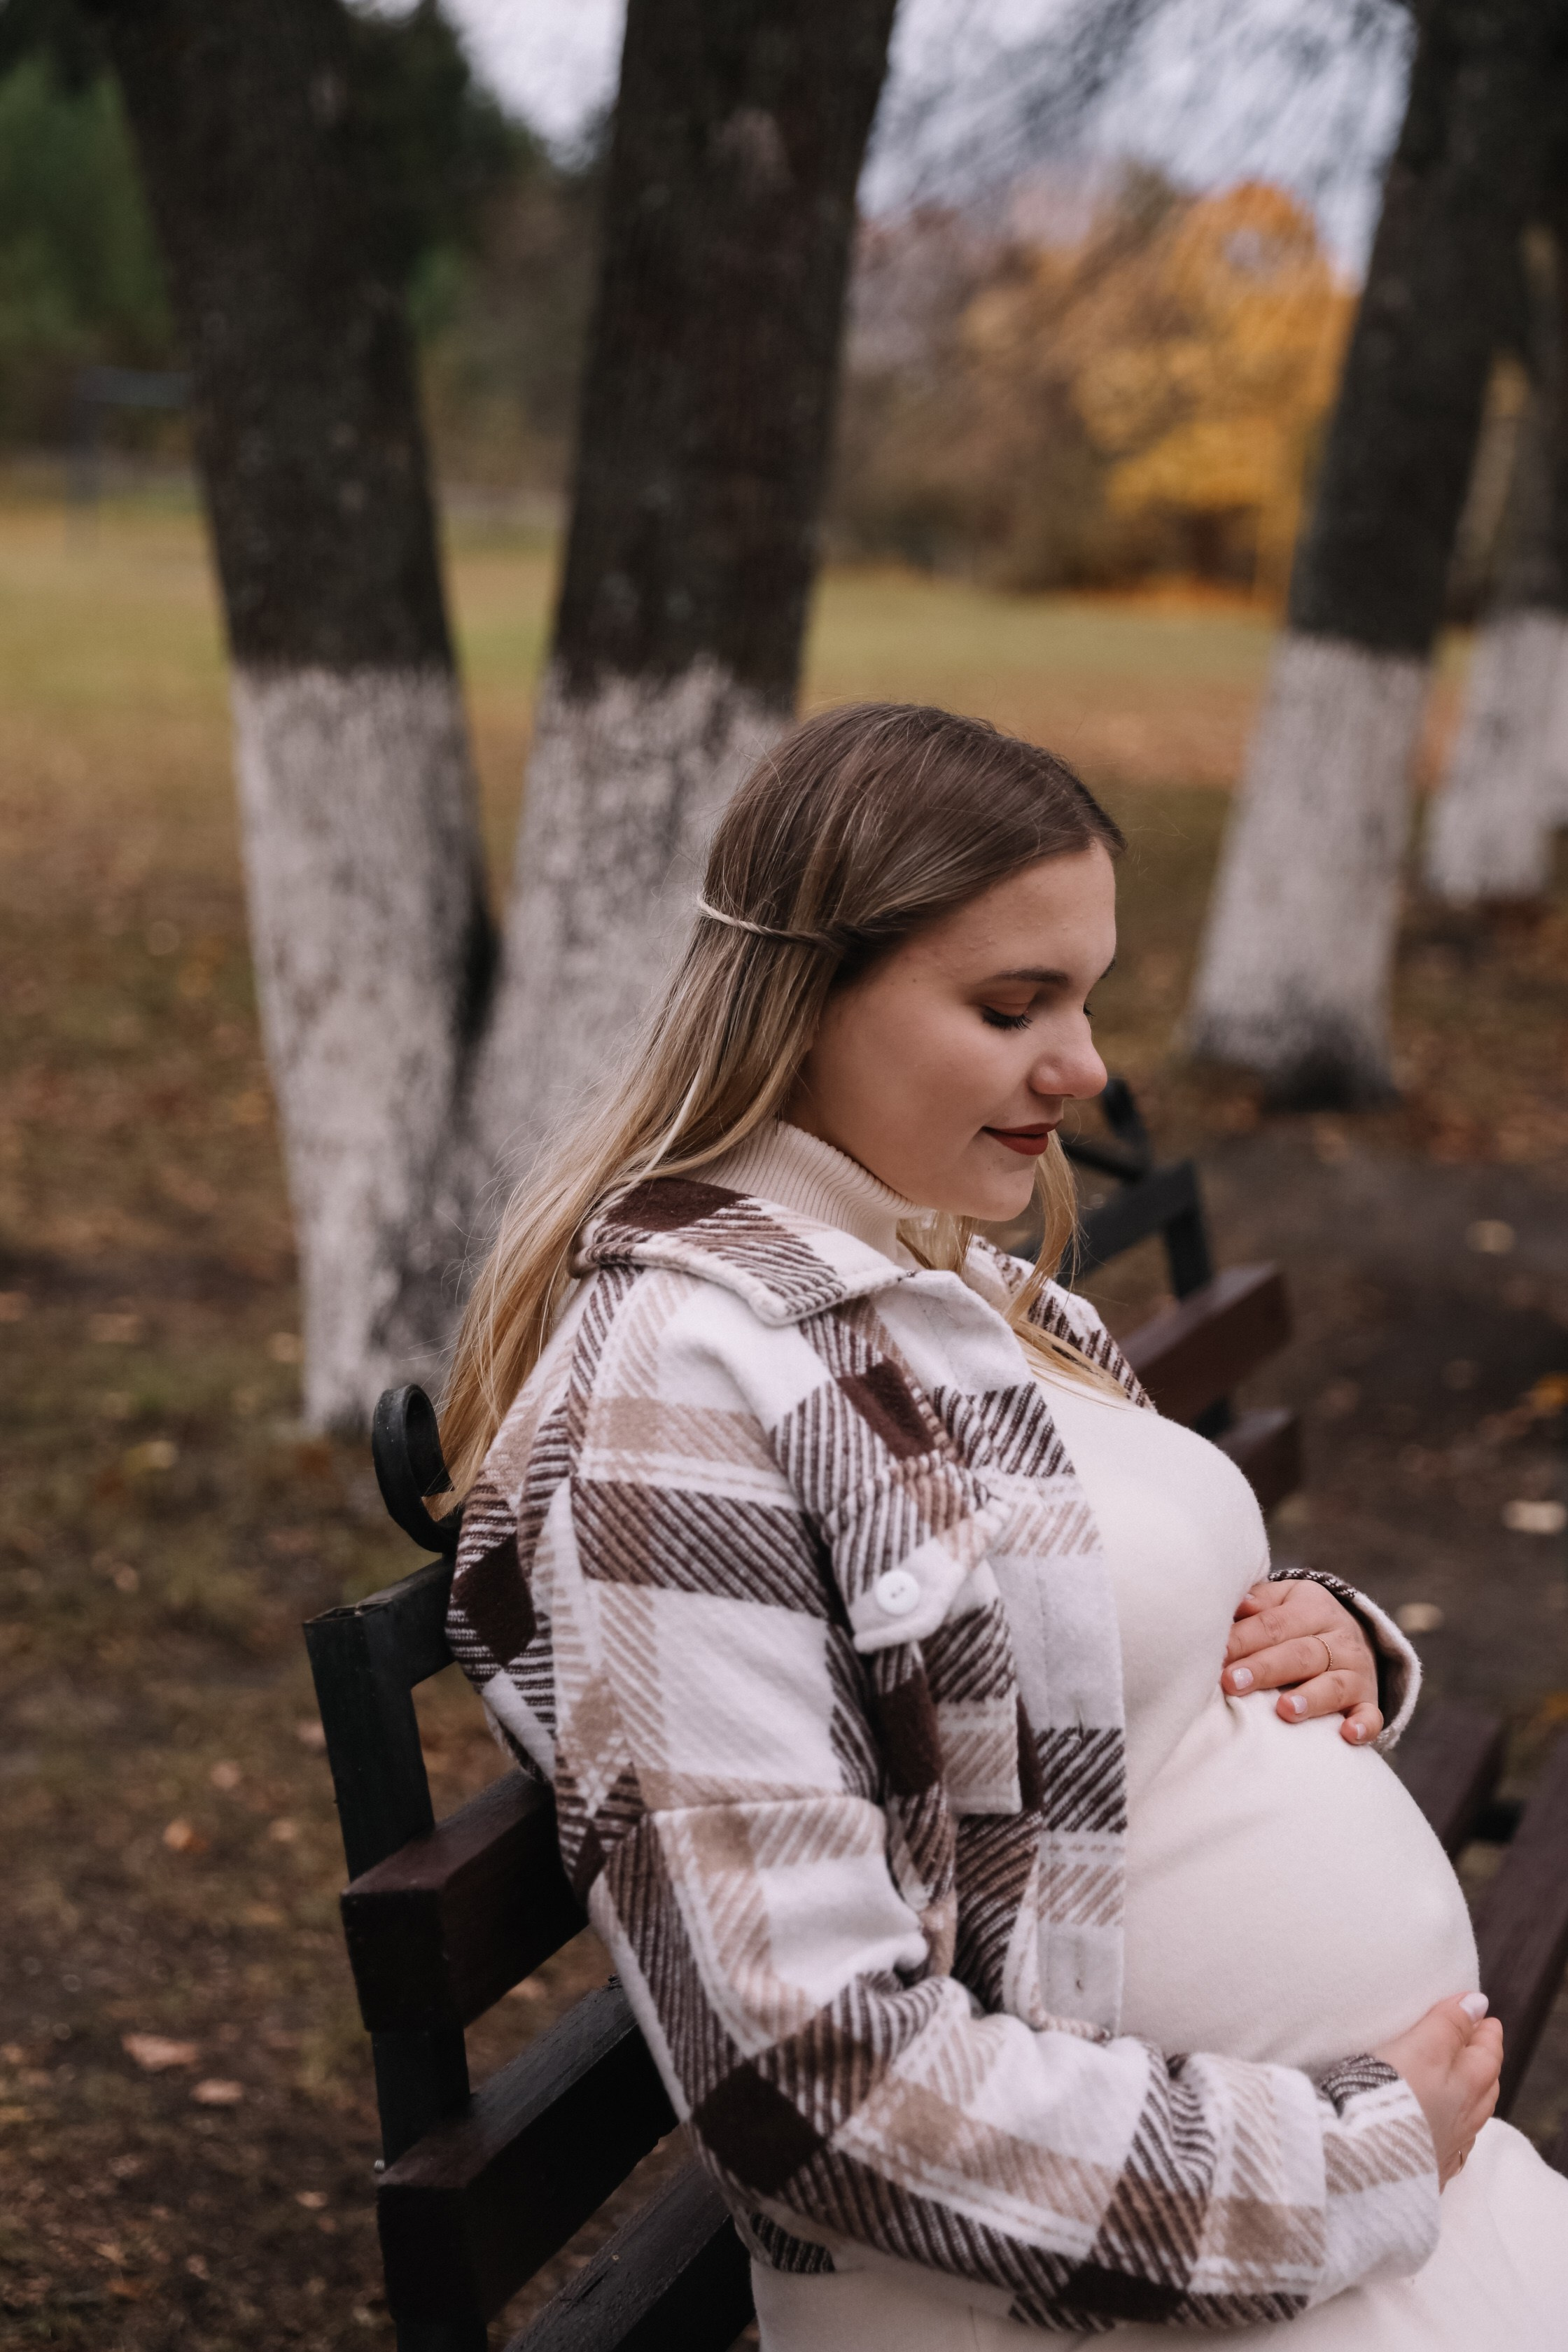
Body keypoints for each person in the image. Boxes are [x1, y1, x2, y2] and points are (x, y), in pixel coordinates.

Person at [440, 703, 1567, 2346]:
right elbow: (804, 2076)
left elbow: (1078, 1628)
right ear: (800, 999)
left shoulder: (957, 1284)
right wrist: (1342, 2160)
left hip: (1367, 2225)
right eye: (1009, 1004)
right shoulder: (680, 1390)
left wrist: (1307, 1636)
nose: (1087, 1066)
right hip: (1113, 2294)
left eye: (1086, 996)